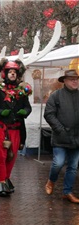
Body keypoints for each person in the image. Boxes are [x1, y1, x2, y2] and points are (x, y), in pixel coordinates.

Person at [0, 59, 32, 197]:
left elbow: (27, 107)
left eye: (14, 72)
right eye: (10, 72)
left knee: (12, 156)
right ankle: (1, 181)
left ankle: (6, 179)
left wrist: (25, 112)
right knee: (1, 156)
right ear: (5, 74)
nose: (12, 74)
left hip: (16, 129)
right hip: (1, 128)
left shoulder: (22, 90)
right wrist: (1, 112)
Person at [44, 69, 79, 204]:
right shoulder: (56, 96)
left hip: (77, 138)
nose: (75, 81)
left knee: (73, 166)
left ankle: (67, 192)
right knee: (58, 163)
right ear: (64, 81)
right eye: (72, 79)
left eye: (76, 79)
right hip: (61, 137)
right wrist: (60, 130)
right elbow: (49, 114)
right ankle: (51, 181)